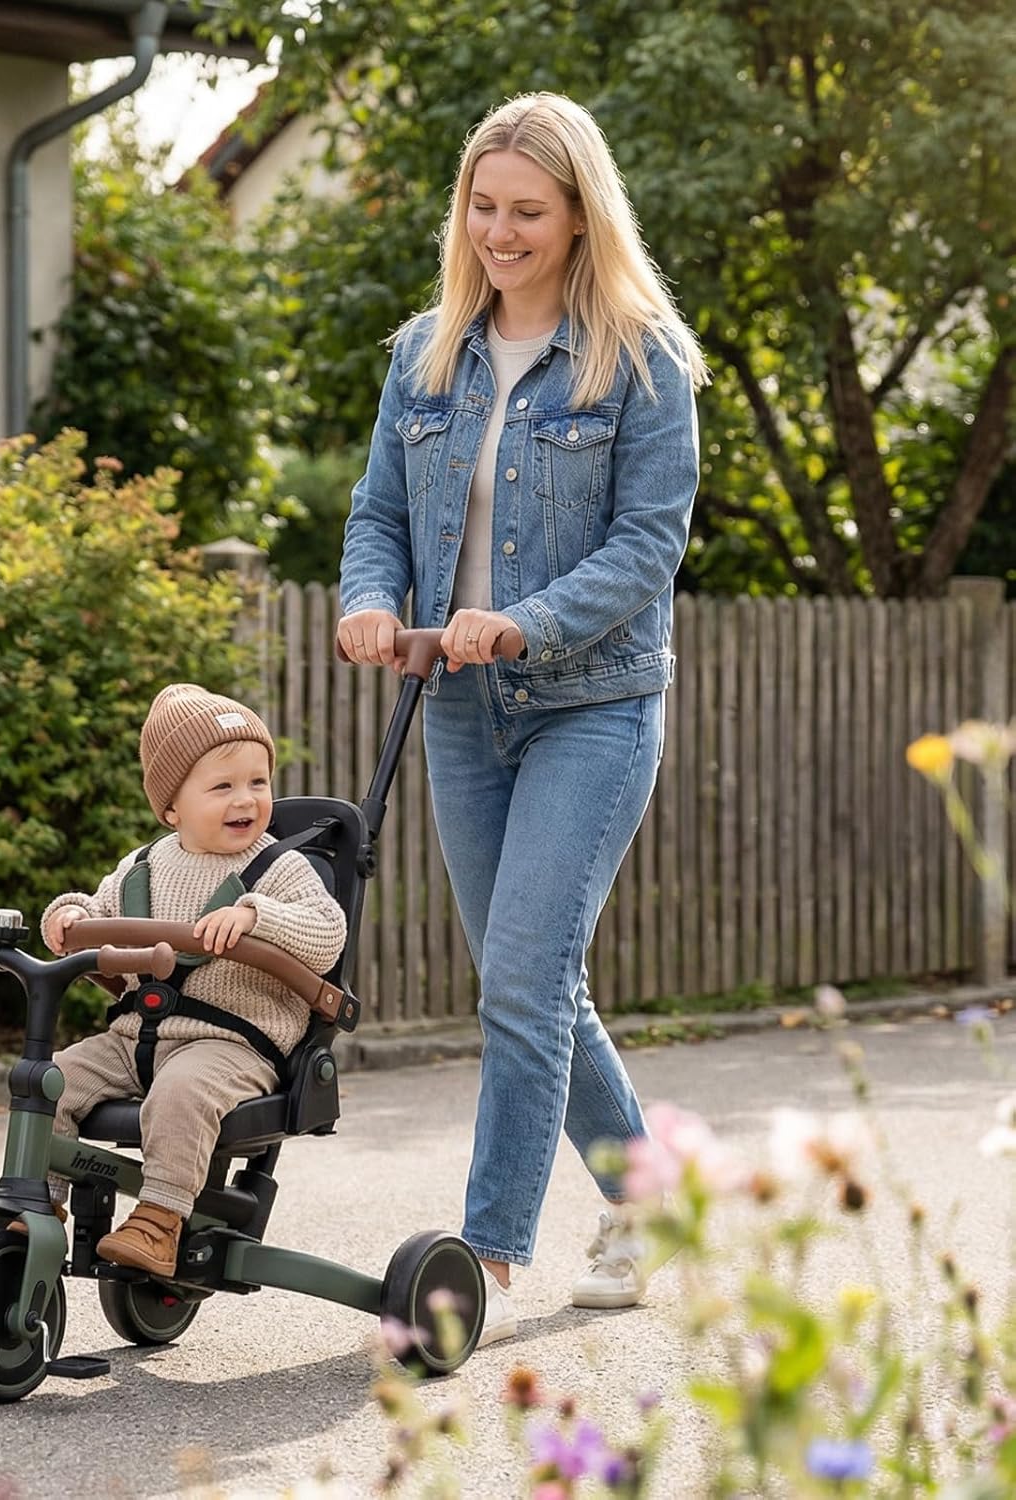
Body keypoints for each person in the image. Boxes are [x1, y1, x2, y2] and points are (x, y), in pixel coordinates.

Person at [336, 92, 709, 1348]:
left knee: (527, 977)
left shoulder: (642, 361)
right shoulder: (424, 354)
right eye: (484, 207)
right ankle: (651, 1202)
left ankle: (483, 1257)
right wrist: (370, 602)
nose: (501, 232)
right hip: (455, 704)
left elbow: (649, 548)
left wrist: (527, 620)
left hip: (594, 708)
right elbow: (378, 513)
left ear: (578, 214)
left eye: (528, 212)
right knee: (523, 979)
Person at [37, 683, 347, 1278]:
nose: (247, 799)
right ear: (172, 807)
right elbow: (98, 911)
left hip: (229, 1046)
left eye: (259, 782)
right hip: (134, 1038)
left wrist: (258, 916)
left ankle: (159, 1221)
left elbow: (326, 930)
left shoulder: (278, 866)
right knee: (51, 1082)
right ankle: (37, 1205)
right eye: (223, 786)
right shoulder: (143, 866)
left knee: (181, 1094)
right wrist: (68, 917)